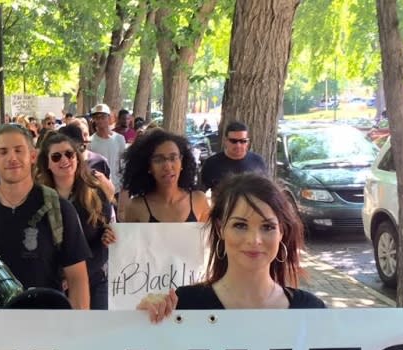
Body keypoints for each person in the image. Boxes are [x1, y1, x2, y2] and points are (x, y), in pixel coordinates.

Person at [138, 173, 326, 322]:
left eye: (267, 227)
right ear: (220, 229)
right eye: (240, 225)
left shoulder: (312, 311)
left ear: (282, 232)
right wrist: (141, 322)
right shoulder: (182, 306)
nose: (254, 240)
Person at [0, 124, 92, 310]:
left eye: (19, 150)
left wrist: (77, 330)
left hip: (46, 325)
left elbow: (77, 278)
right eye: (3, 152)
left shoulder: (59, 208)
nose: (12, 158)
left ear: (33, 156)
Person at [36, 133, 116, 309]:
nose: (64, 160)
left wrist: (76, 277)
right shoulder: (37, 199)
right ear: (47, 163)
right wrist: (61, 278)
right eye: (56, 157)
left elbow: (105, 243)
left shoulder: (97, 194)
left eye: (69, 154)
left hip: (94, 280)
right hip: (50, 285)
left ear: (77, 158)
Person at [121, 129, 209, 223]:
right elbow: (128, 237)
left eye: (173, 158)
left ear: (182, 162)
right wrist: (111, 236)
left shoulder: (199, 200)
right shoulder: (136, 207)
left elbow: (210, 236)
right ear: (148, 166)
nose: (167, 166)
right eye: (158, 160)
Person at [200, 121, 267, 197]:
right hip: (223, 208)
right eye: (233, 141)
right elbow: (199, 193)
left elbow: (265, 191)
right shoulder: (211, 164)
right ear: (226, 141)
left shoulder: (258, 161)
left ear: (247, 142)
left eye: (243, 141)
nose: (238, 145)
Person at [89, 104, 127, 193]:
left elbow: (123, 163)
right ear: (94, 120)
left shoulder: (119, 139)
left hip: (117, 188)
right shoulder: (91, 142)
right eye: (97, 117)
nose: (100, 120)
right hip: (98, 189)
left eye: (103, 116)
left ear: (109, 118)